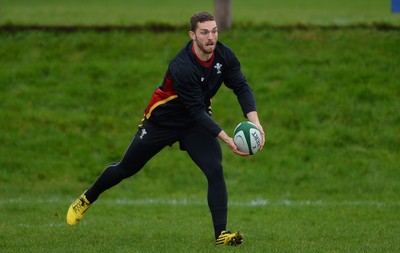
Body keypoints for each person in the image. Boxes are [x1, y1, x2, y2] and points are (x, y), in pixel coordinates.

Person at [67, 11, 265, 246]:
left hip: (194, 125)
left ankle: (221, 235)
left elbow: (241, 86)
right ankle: (87, 198)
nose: (211, 37)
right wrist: (227, 139)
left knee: (214, 169)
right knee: (126, 168)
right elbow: (196, 110)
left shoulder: (224, 55)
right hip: (162, 121)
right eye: (204, 32)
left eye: (214, 31)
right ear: (192, 35)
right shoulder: (182, 65)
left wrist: (255, 122)